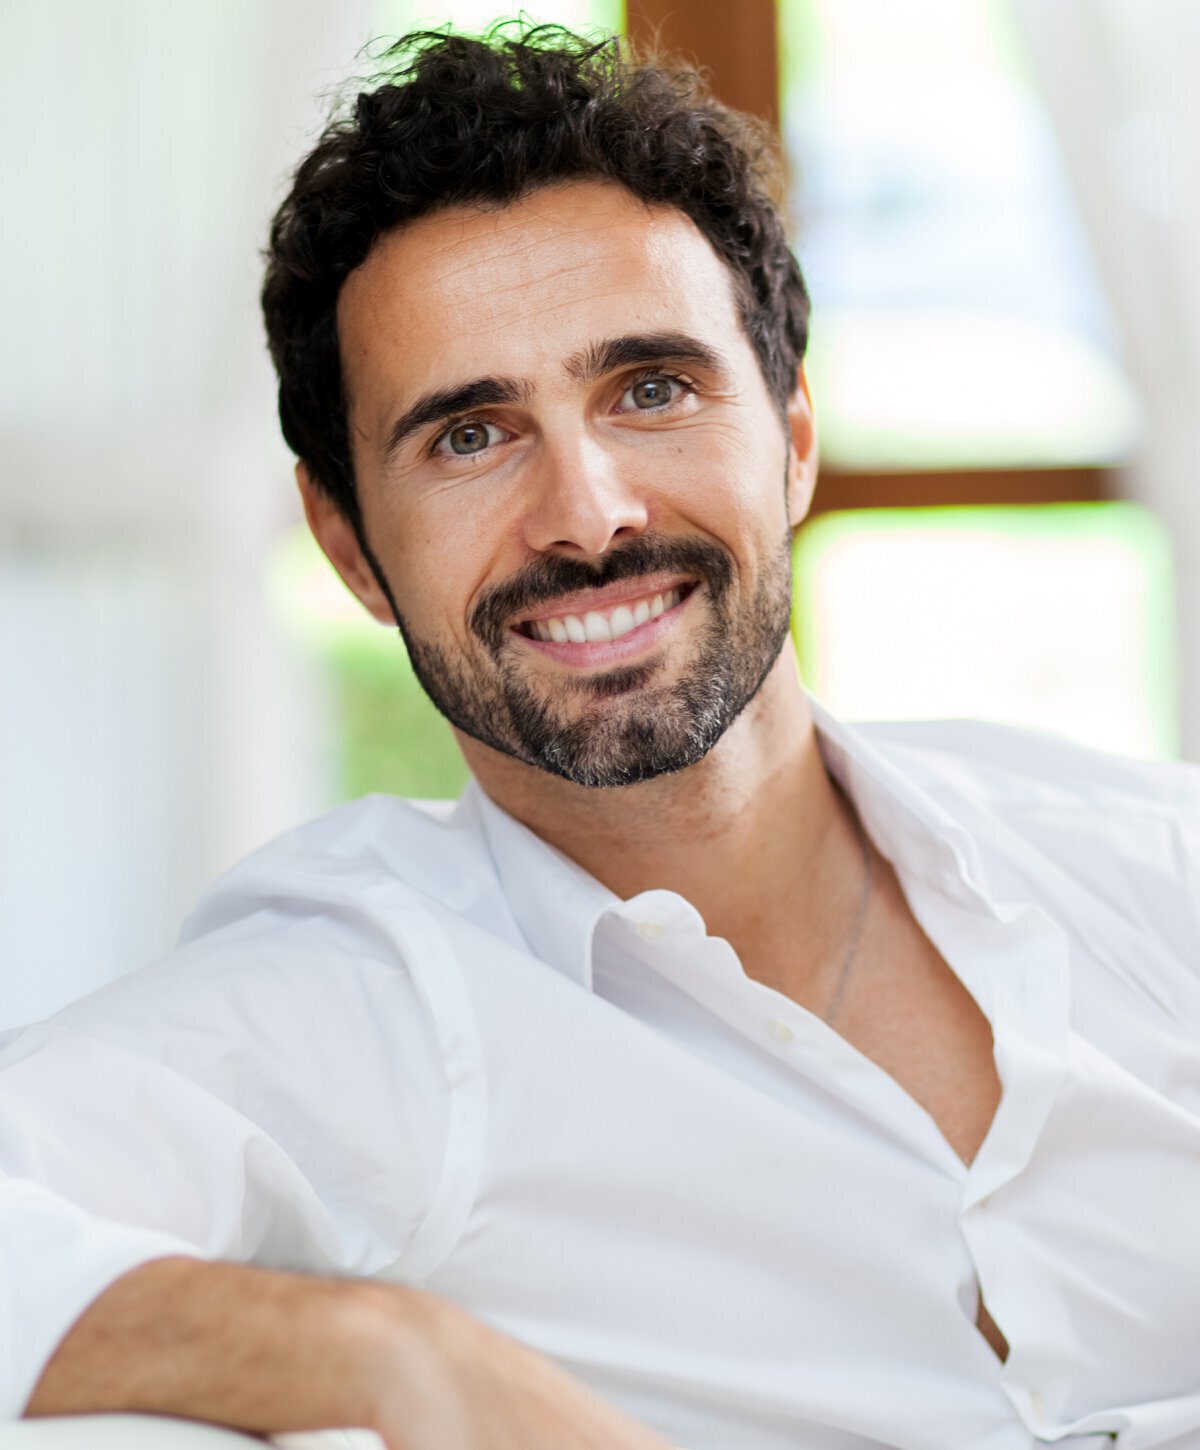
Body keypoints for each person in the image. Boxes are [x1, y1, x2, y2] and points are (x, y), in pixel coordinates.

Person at [4, 23, 1200, 1450]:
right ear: (349, 547)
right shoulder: (367, 1013)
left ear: (795, 435)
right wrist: (386, 1356)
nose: (590, 512)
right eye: (469, 435)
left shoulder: (1152, 867)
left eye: (651, 388)